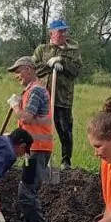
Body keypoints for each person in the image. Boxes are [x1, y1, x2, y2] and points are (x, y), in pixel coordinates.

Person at [5, 56, 53, 222]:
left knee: (26, 190)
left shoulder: (35, 91)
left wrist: (15, 105)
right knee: (26, 188)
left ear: (29, 69)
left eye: (18, 71)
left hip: (37, 148)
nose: (17, 76)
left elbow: (26, 118)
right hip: (32, 148)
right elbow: (29, 123)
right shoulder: (30, 91)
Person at [32, 19, 82, 170]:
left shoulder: (72, 51)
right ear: (51, 33)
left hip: (62, 98)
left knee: (65, 130)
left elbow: (76, 70)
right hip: (42, 98)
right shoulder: (42, 50)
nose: (63, 34)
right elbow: (33, 67)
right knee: (41, 130)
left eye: (65, 31)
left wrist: (62, 62)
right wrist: (50, 64)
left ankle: (66, 162)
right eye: (60, 31)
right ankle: (40, 159)